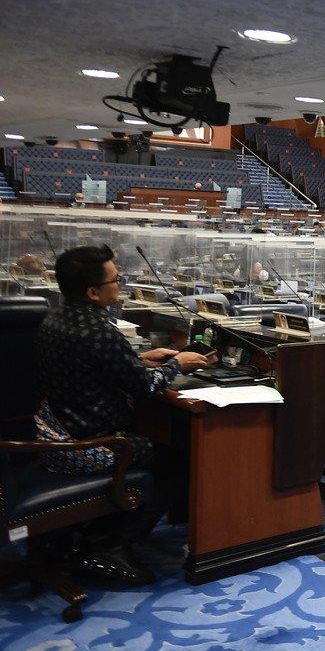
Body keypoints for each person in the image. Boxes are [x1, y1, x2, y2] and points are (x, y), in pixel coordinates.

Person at [35, 244, 215, 582]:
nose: (120, 285)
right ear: (92, 292)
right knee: (180, 460)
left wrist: (140, 359)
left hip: (60, 428)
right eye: (116, 280)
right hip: (90, 443)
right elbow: (145, 388)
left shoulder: (56, 317)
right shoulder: (99, 331)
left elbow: (92, 365)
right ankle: (109, 543)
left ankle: (100, 531)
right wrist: (178, 363)